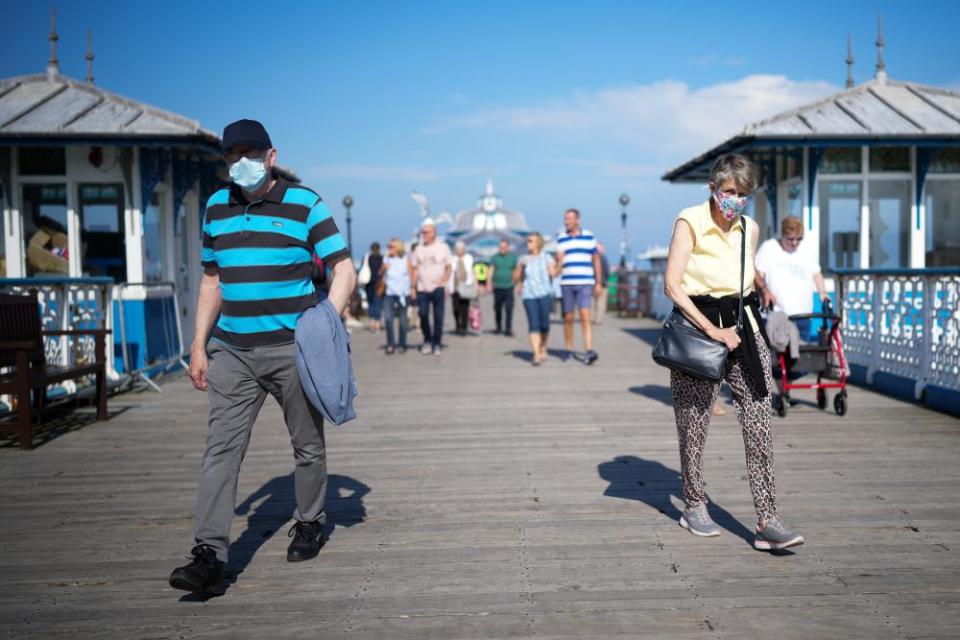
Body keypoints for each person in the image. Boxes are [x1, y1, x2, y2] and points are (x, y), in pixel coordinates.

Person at [170, 119, 356, 593]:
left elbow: (343, 268)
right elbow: (211, 280)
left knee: (307, 443)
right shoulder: (215, 206)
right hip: (232, 350)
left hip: (292, 348)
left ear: (271, 156)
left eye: (251, 153)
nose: (242, 163)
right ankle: (209, 553)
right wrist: (198, 344)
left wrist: (324, 323)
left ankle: (310, 519)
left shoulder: (304, 203)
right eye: (234, 155)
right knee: (221, 449)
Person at [663, 153, 803, 551]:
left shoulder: (750, 227)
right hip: (698, 327)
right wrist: (712, 330)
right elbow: (673, 285)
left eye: (743, 194)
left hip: (744, 327)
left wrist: (755, 299)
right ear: (713, 188)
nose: (735, 200)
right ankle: (693, 503)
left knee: (759, 417)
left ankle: (767, 519)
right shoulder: (690, 221)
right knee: (694, 422)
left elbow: (743, 277)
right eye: (729, 192)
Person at [754, 216, 829, 341]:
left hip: (803, 317)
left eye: (799, 239)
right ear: (782, 234)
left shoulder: (806, 249)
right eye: (790, 239)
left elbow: (817, 274)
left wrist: (823, 293)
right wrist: (763, 292)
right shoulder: (769, 248)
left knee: (802, 357)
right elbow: (757, 276)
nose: (795, 243)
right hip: (777, 316)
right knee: (776, 357)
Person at [556, 209, 601, 364]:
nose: (566, 221)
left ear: (577, 220)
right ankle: (568, 350)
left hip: (585, 282)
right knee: (568, 318)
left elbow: (596, 260)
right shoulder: (561, 238)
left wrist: (599, 283)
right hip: (567, 283)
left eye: (569, 218)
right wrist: (558, 261)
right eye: (565, 218)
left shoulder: (589, 236)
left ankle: (588, 350)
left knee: (584, 315)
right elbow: (558, 264)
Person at [514, 232, 558, 366]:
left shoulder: (547, 258)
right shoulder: (523, 259)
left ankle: (543, 346)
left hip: (545, 294)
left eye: (530, 241)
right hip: (529, 295)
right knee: (534, 324)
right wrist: (519, 270)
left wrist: (561, 263)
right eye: (527, 241)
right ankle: (536, 354)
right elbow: (515, 277)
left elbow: (554, 274)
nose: (528, 243)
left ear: (538, 242)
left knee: (544, 325)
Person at [409, 219, 451, 355]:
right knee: (423, 314)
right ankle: (427, 340)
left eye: (426, 232)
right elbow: (415, 269)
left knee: (439, 317)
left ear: (433, 232)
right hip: (422, 288)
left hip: (438, 287)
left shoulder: (443, 247)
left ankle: (437, 343)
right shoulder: (418, 249)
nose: (423, 234)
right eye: (422, 232)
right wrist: (413, 287)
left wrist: (444, 281)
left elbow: (448, 267)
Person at [380, 238, 412, 354]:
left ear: (398, 247)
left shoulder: (405, 259)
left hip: (403, 294)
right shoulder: (386, 258)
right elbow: (380, 274)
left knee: (403, 320)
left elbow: (411, 275)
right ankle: (391, 344)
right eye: (388, 246)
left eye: (391, 246)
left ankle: (402, 344)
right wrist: (384, 268)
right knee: (388, 319)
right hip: (389, 293)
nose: (389, 249)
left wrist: (413, 289)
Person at [487, 238, 518, 336]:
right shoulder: (495, 257)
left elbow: (516, 271)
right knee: (497, 308)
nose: (502, 249)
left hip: (509, 286)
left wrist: (517, 284)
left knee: (509, 308)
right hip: (497, 286)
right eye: (500, 247)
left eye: (504, 247)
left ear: (508, 247)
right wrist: (489, 283)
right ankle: (498, 327)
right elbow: (491, 270)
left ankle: (508, 328)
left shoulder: (513, 257)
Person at [449, 241, 476, 335]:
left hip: (466, 287)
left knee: (465, 307)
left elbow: (472, 271)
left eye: (461, 249)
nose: (459, 251)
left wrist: (475, 285)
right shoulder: (452, 259)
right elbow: (449, 272)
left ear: (464, 249)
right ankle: (457, 324)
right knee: (456, 308)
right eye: (457, 249)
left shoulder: (469, 258)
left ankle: (464, 327)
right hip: (455, 287)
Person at [363, 242, 384, 333]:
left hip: (369, 284)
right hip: (379, 284)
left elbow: (362, 269)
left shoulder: (367, 258)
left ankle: (372, 324)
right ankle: (377, 324)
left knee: (371, 303)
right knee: (377, 304)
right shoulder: (382, 258)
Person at [593, 242, 611, 325]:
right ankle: (598, 320)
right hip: (602, 283)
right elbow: (607, 271)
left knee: (594, 302)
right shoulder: (603, 258)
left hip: (593, 283)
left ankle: (594, 318)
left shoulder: (592, 258)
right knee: (601, 302)